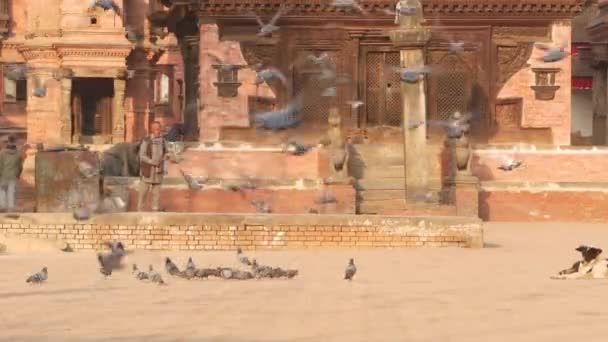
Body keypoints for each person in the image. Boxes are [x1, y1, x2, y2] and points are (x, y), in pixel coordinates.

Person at [137, 121, 168, 211]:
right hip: (148, 171)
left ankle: (155, 211)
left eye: (159, 129)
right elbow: (142, 155)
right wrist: (152, 162)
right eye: (156, 129)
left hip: (158, 171)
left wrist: (166, 156)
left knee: (157, 194)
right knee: (143, 192)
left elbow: (166, 151)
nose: (158, 131)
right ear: (152, 130)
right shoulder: (146, 141)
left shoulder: (163, 141)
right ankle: (139, 212)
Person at [0, 135, 24, 212]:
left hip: (4, 174)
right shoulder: (18, 153)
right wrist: (18, 174)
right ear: (15, 141)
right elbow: (20, 166)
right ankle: (11, 207)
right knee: (11, 191)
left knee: (2, 190)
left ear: (8, 140)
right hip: (13, 175)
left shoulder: (2, 153)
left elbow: (0, 164)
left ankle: (3, 205)